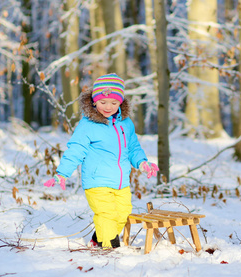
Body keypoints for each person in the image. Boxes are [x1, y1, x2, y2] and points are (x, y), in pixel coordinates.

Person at [43, 73, 159, 249]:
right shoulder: (88, 125)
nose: (108, 107)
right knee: (106, 214)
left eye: (113, 103)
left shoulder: (125, 124)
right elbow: (75, 150)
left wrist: (142, 163)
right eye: (103, 102)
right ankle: (110, 248)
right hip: (96, 181)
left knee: (122, 214)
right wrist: (62, 173)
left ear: (120, 103)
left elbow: (133, 147)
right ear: (94, 101)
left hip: (121, 182)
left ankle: (98, 238)